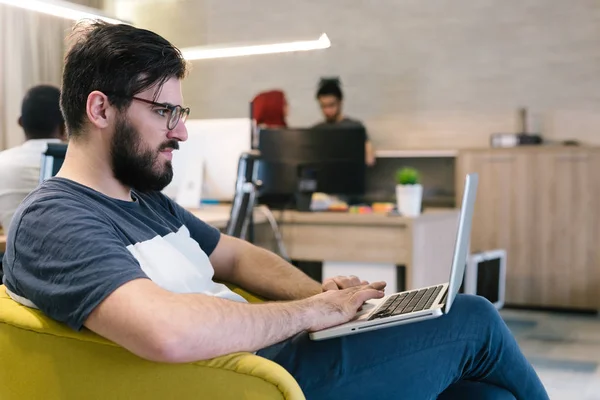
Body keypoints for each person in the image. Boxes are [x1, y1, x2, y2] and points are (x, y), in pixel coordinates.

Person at [2, 21, 548, 400]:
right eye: (164, 111)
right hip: (262, 383)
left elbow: (235, 257)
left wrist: (325, 297)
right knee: (472, 318)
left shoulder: (143, 200)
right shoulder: (55, 219)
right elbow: (165, 331)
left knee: (483, 395)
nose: (182, 130)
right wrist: (308, 316)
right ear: (100, 108)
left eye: (180, 111)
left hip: (281, 358)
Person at [0, 85, 65, 232]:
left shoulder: (2, 164)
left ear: (21, 123)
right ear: (64, 125)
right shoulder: (84, 164)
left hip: (16, 253)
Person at [313, 78, 376, 167]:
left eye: (331, 105)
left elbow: (369, 158)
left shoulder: (355, 128)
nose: (327, 111)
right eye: (323, 106)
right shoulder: (316, 131)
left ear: (340, 103)